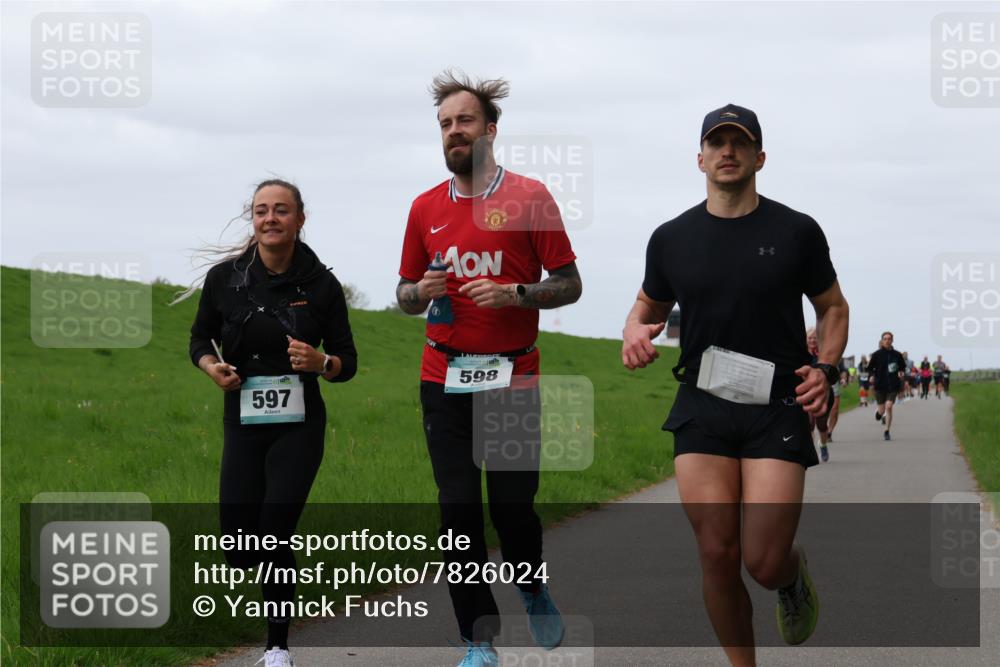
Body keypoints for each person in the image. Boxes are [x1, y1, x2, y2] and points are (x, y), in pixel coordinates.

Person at [622, 103, 849, 667]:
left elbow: (833, 308)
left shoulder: (796, 230)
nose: (727, 151)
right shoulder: (671, 237)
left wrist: (827, 370)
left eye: (739, 143)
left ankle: (792, 578)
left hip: (777, 404)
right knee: (717, 553)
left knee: (763, 561)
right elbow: (647, 304)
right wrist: (633, 332)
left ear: (759, 157)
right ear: (699, 158)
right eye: (716, 143)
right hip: (703, 403)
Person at [395, 70, 582, 667]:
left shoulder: (530, 197)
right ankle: (479, 639)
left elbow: (570, 285)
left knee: (511, 507)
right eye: (446, 124)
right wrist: (418, 290)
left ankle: (531, 586)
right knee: (457, 510)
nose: (454, 131)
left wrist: (519, 295)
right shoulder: (424, 208)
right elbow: (402, 294)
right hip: (442, 375)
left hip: (511, 375)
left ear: (491, 130)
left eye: (464, 120)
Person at [185, 179, 358, 667]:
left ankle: (277, 647)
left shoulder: (321, 285)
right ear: (252, 219)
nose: (270, 218)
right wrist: (211, 367)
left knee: (275, 529)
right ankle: (275, 616)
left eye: (281, 210)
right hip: (242, 418)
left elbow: (348, 361)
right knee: (240, 543)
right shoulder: (225, 280)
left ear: (300, 219)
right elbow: (198, 339)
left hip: (298, 424)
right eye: (261, 211)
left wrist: (321, 363)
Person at [867, 332, 905, 441]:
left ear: (892, 340)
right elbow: (869, 368)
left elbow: (902, 368)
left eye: (889, 339)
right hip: (880, 385)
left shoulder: (897, 355)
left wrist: (901, 374)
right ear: (882, 341)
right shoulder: (876, 354)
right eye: (885, 339)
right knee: (882, 410)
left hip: (893, 385)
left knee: (889, 406)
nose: (887, 340)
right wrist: (872, 376)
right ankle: (879, 413)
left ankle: (887, 431)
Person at [806, 328, 834, 462]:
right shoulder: (800, 354)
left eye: (815, 338)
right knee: (809, 423)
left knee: (821, 425)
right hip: (806, 393)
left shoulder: (824, 354)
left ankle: (823, 445)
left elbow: (833, 371)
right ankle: (810, 452)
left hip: (824, 393)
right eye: (810, 338)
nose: (812, 340)